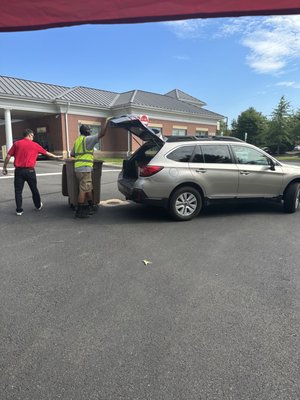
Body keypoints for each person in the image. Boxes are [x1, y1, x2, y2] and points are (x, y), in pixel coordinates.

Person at [2, 129, 62, 215]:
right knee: (34, 189)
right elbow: (46, 153)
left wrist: (4, 167)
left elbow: (8, 156)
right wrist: (56, 157)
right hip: (30, 171)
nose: (33, 137)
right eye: (33, 135)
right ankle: (38, 205)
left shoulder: (17, 144)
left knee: (18, 191)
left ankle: (19, 210)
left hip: (19, 171)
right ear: (29, 135)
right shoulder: (35, 145)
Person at [70, 120, 109, 218]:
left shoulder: (78, 141)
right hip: (85, 169)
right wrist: (107, 122)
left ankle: (91, 205)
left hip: (78, 168)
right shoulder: (87, 139)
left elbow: (72, 154)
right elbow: (102, 134)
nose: (90, 131)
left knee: (88, 187)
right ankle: (79, 211)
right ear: (86, 131)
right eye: (89, 130)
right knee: (83, 189)